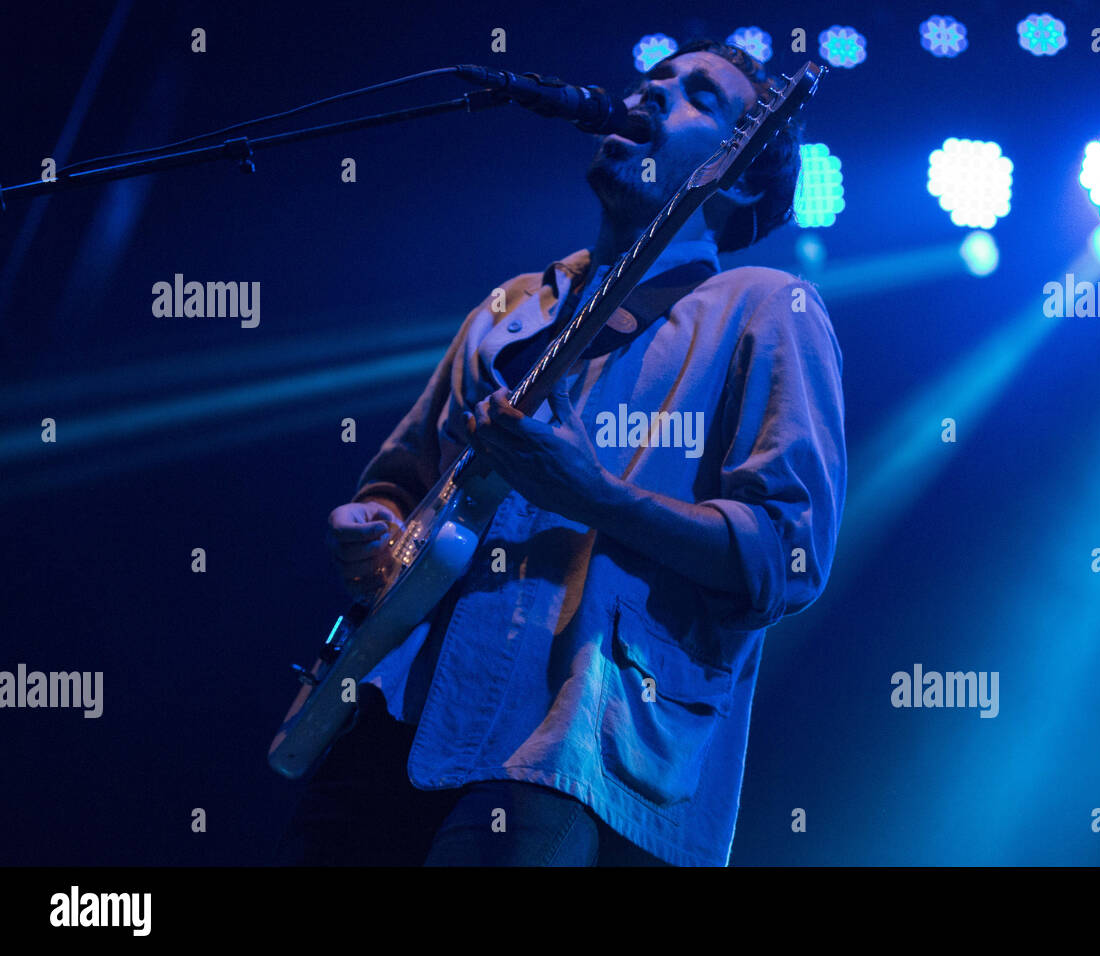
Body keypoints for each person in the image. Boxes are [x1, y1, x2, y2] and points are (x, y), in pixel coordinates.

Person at [274, 39, 846, 867]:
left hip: (567, 739)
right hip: (383, 710)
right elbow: (400, 486)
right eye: (650, 77)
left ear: (745, 174)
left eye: (698, 97)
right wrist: (370, 525)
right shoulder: (510, 305)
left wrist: (595, 496)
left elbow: (788, 556)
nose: (650, 92)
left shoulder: (764, 307)